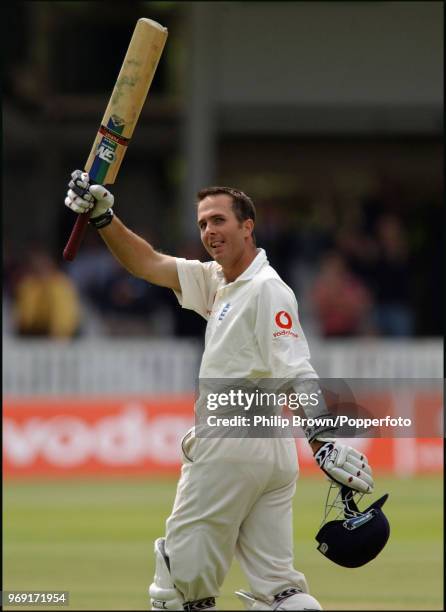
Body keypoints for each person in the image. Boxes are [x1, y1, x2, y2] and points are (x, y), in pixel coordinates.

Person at [64, 170, 374, 611]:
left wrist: (322, 442)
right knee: (280, 592)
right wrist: (103, 216)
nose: (209, 231)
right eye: (203, 223)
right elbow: (149, 263)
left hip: (230, 444)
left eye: (219, 220)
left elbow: (296, 369)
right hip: (272, 454)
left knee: (177, 590)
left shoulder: (268, 290)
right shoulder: (219, 281)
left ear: (248, 226)